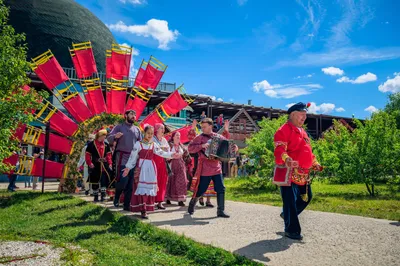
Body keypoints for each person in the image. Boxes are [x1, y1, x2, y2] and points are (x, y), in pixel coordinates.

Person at [273, 102, 323, 240]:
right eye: (302, 115)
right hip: (289, 172)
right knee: (289, 201)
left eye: (305, 116)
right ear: (293, 114)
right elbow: (279, 150)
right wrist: (286, 158)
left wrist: (315, 163)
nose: (304, 118)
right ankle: (292, 230)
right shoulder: (283, 130)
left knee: (307, 198)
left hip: (303, 173)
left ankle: (287, 214)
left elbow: (309, 152)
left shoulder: (303, 132)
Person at [122, 125, 181, 219]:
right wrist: (128, 168)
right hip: (141, 167)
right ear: (144, 133)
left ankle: (147, 207)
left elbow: (162, 153)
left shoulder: (153, 144)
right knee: (141, 188)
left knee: (148, 188)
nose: (150, 135)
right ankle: (143, 209)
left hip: (151, 168)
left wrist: (172, 154)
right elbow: (132, 157)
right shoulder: (138, 144)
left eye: (151, 133)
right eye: (148, 133)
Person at [188, 118, 238, 218]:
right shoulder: (199, 138)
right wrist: (202, 145)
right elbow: (190, 148)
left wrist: (234, 147)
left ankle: (220, 211)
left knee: (221, 188)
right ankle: (193, 202)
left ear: (210, 126)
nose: (202, 129)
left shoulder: (218, 137)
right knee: (201, 189)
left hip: (216, 167)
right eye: (201, 127)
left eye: (204, 127)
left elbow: (227, 144)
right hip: (205, 168)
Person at [107, 109, 142, 210]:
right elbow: (109, 138)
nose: (133, 116)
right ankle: (117, 197)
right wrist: (115, 136)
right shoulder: (119, 127)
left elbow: (141, 143)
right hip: (122, 157)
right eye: (131, 114)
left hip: (133, 158)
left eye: (135, 114)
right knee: (123, 180)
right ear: (125, 115)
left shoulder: (137, 129)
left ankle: (126, 205)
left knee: (130, 183)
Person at [85, 129, 113, 202]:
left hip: (104, 166)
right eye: (104, 136)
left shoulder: (106, 145)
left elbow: (109, 155)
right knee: (95, 182)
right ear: (99, 136)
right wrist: (89, 163)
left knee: (104, 181)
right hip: (95, 166)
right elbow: (87, 155)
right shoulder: (91, 144)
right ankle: (96, 197)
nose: (105, 138)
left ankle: (103, 196)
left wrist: (110, 163)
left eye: (105, 136)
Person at [166, 132, 192, 206]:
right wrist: (172, 156)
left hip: (180, 165)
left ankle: (180, 200)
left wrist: (188, 161)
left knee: (181, 181)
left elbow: (187, 156)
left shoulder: (182, 146)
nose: (178, 137)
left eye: (179, 135)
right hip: (172, 165)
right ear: (173, 137)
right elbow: (166, 155)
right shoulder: (169, 146)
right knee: (171, 181)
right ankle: (168, 198)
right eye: (177, 135)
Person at [152, 123, 170, 210]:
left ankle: (160, 201)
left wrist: (163, 149)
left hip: (162, 162)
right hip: (154, 162)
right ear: (156, 129)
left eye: (163, 128)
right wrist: (163, 149)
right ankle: (151, 200)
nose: (163, 130)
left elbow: (168, 149)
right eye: (161, 128)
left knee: (162, 181)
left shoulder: (164, 140)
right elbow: (155, 150)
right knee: (153, 180)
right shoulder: (152, 138)